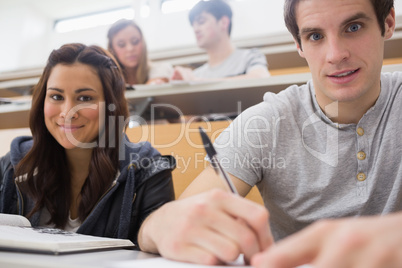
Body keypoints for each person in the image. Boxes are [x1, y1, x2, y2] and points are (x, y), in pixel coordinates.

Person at [137, 0, 402, 267]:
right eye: (315, 36)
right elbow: (180, 219)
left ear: (388, 23)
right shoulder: (266, 121)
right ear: (299, 44)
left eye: (353, 27)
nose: (335, 54)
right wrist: (156, 227)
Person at [0, 43, 175, 246]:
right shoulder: (13, 165)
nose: (68, 112)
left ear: (111, 106)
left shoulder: (148, 169)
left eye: (85, 98)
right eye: (56, 96)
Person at [171, 0, 270, 81]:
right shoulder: (197, 74)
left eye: (201, 22)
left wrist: (196, 82)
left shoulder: (249, 57)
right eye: (193, 25)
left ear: (223, 22)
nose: (196, 29)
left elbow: (261, 78)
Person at [107, 19, 174, 89]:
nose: (130, 49)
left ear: (143, 43)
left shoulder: (161, 69)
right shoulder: (107, 79)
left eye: (135, 41)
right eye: (121, 44)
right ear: (112, 49)